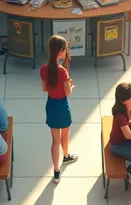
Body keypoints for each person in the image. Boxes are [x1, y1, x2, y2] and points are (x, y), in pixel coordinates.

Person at [40, 35, 77, 185]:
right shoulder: (62, 72)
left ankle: (56, 171)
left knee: (55, 140)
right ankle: (66, 156)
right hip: (62, 105)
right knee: (64, 136)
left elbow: (44, 88)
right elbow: (67, 93)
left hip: (51, 105)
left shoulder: (43, 69)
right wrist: (70, 85)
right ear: (61, 51)